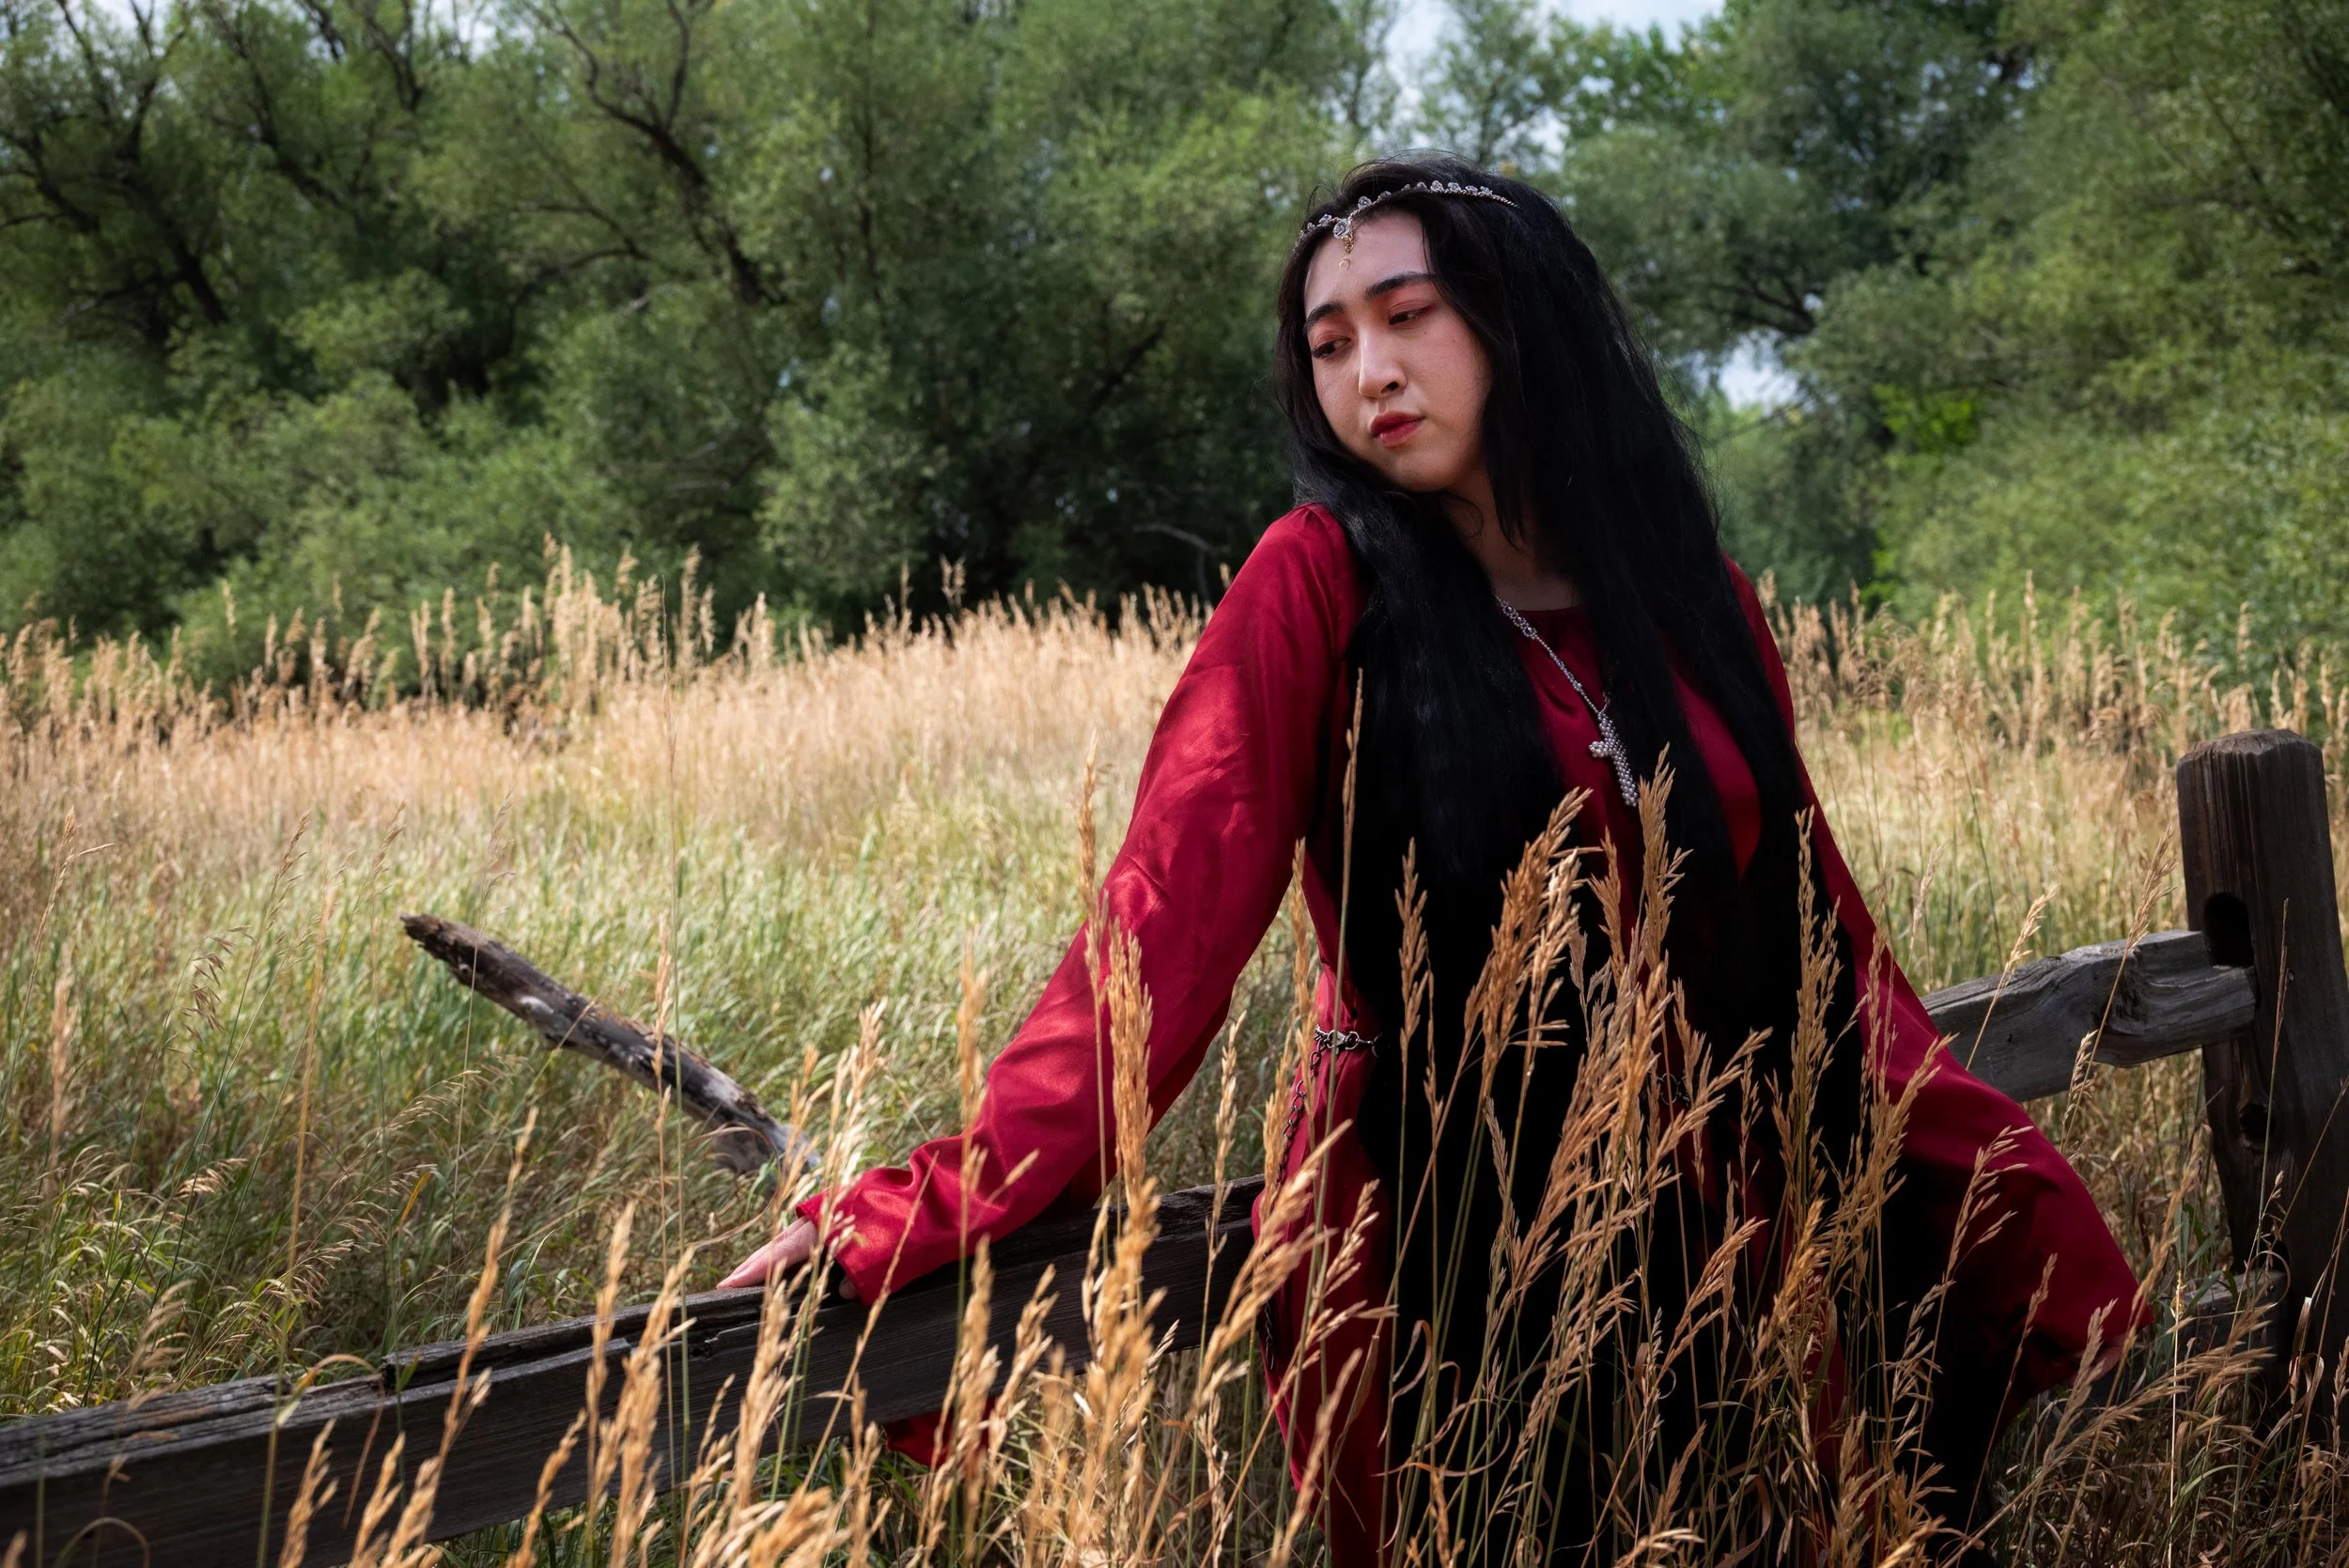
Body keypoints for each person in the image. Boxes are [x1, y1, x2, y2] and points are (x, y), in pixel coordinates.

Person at [721, 157, 2141, 1562]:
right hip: (1417, 1232)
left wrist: (2004, 1191)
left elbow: (1820, 935)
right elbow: (1161, 922)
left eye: (1409, 317)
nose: (1368, 373)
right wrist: (919, 1203)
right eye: (1330, 344)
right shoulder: (1316, 581)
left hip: (1714, 1218)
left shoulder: (1698, 604)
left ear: (1521, 324)